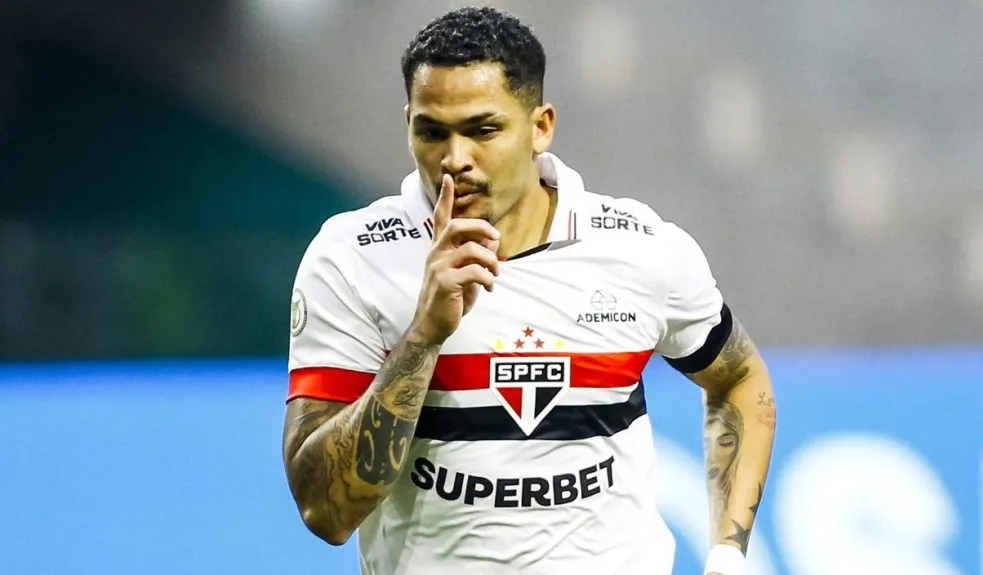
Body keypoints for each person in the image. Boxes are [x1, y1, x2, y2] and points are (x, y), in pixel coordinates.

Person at [282, 6, 776, 575]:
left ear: (541, 126)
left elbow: (739, 378)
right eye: (432, 131)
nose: (454, 159)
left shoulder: (640, 250)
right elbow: (325, 510)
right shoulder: (354, 259)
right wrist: (422, 340)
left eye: (483, 129)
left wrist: (727, 555)